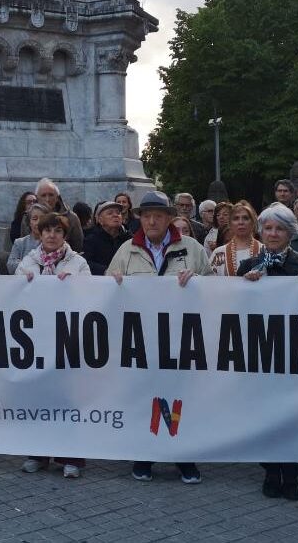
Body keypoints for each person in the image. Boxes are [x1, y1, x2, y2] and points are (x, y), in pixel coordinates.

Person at [107, 191, 209, 484]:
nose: (152, 220)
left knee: (181, 398)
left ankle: (183, 455)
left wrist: (198, 283)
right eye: (146, 215)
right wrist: (110, 284)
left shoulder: (192, 248)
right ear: (140, 218)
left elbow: (216, 290)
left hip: (181, 339)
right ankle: (146, 453)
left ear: (169, 218)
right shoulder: (127, 250)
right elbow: (106, 295)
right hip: (142, 341)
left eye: (158, 215)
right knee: (145, 397)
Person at [237, 203, 298, 501]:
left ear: (290, 232)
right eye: (268, 228)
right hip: (262, 352)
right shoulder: (248, 267)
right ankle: (271, 471)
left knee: (292, 415)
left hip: (295, 352)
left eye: (279, 228)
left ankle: (292, 475)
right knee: (265, 414)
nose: (273, 234)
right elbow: (236, 312)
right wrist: (244, 287)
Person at [16, 212, 90, 477]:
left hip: (68, 339)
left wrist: (73, 286)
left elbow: (91, 296)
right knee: (39, 397)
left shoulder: (78, 263)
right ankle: (38, 454)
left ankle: (71, 458)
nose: (51, 235)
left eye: (57, 231)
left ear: (64, 235)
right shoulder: (28, 262)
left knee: (69, 398)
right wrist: (22, 285)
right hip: (37, 339)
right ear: (39, 233)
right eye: (47, 230)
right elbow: (14, 296)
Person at [209, 201, 261, 276]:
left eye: (245, 218)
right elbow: (207, 282)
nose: (241, 222)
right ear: (230, 224)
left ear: (253, 222)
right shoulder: (218, 253)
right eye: (236, 218)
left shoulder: (265, 251)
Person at [34, 179, 84, 252]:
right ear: (37, 198)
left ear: (57, 197)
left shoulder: (71, 218)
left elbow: (78, 246)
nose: (47, 199)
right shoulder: (28, 217)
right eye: (43, 195)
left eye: (51, 195)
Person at [84, 201, 130, 276]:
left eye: (118, 213)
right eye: (110, 213)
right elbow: (85, 263)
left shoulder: (129, 238)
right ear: (100, 220)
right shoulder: (91, 240)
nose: (115, 215)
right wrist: (106, 271)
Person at [7, 203, 51, 274]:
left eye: (42, 218)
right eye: (34, 219)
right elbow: (11, 265)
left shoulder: (53, 242)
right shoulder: (20, 243)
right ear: (30, 222)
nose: (38, 222)